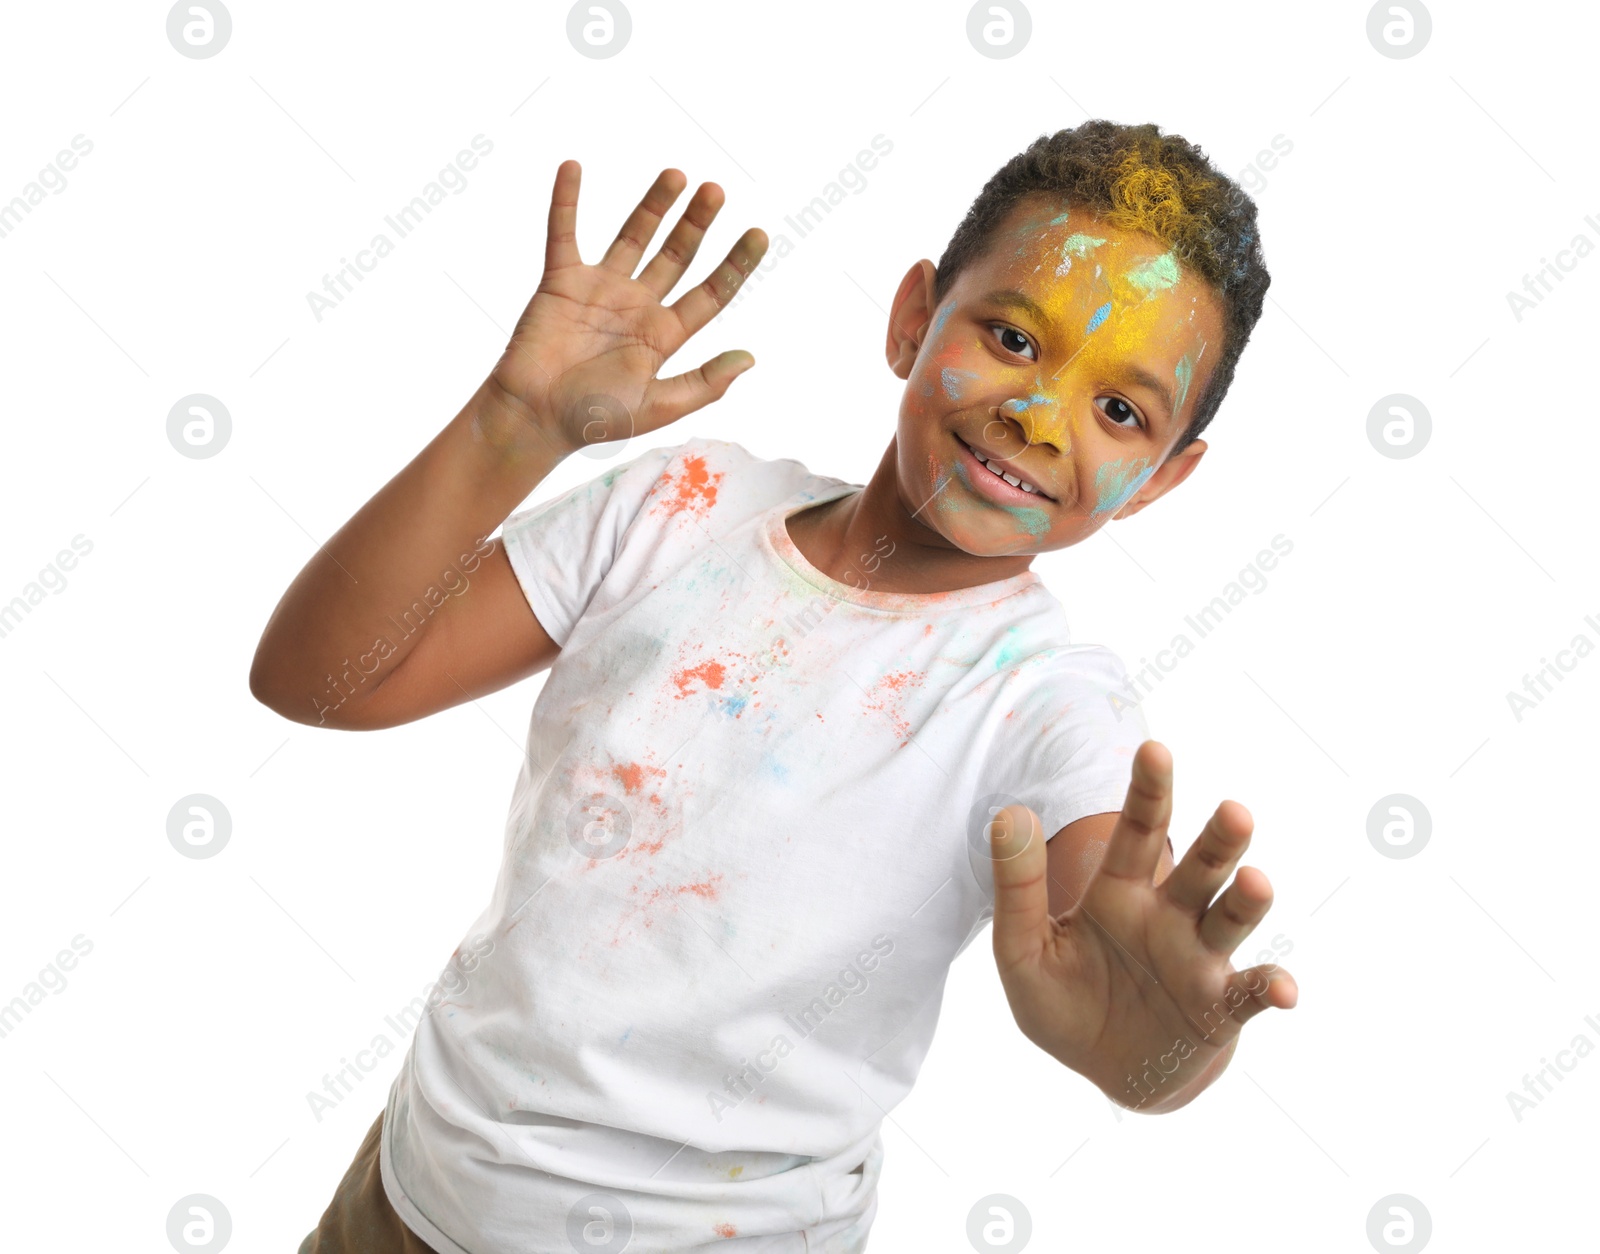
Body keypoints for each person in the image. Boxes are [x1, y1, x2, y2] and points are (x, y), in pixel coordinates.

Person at [258, 118, 1299, 1254]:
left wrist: (1159, 1049)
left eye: (1119, 411)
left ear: (1164, 477)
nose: (1037, 417)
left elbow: (1120, 980)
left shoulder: (1046, 705)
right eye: (1010, 336)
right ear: (914, 317)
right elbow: (317, 682)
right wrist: (513, 426)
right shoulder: (680, 507)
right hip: (412, 1195)